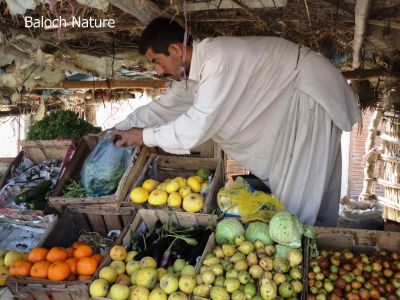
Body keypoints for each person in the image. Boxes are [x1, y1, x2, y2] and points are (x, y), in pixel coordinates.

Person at [111, 17, 361, 226]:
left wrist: (143, 136)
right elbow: (164, 108)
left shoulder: (217, 59)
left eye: (157, 61)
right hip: (295, 105)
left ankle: (304, 258)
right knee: (307, 192)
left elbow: (197, 125)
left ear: (176, 50)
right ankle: (314, 250)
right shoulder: (192, 75)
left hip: (307, 97)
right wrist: (119, 128)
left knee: (300, 200)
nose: (157, 70)